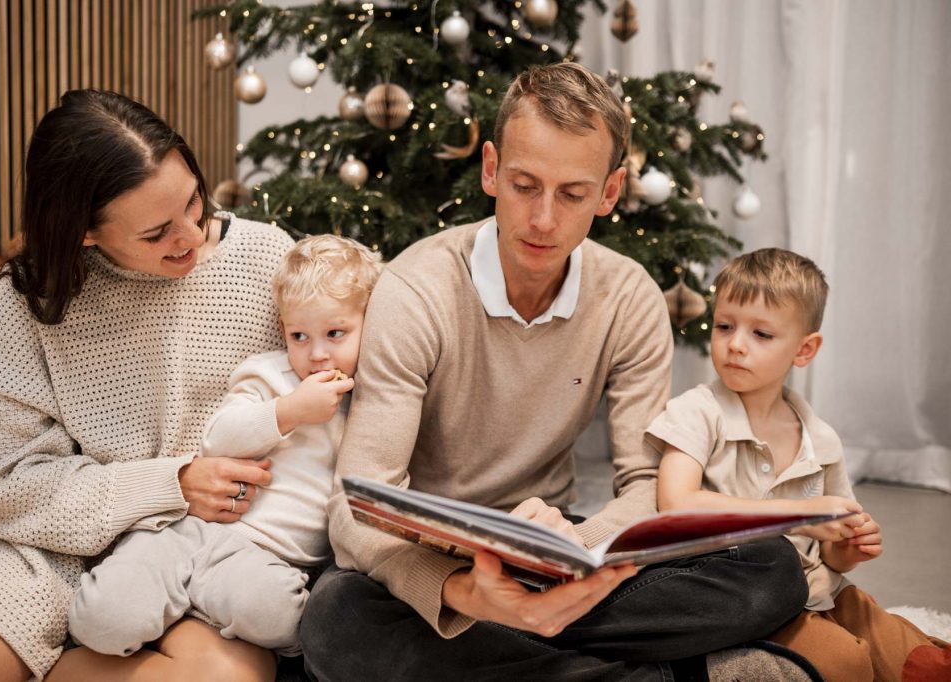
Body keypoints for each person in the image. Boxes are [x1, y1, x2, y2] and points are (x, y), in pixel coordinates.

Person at [299, 62, 815, 681]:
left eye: (572, 194)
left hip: (561, 545)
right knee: (335, 622)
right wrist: (463, 592)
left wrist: (580, 551)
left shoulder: (630, 297)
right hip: (442, 559)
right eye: (524, 185)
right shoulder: (416, 290)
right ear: (490, 169)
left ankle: (517, 648)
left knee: (770, 567)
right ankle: (668, 675)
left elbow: (649, 484)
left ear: (610, 192)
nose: (543, 219)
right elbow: (356, 505)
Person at [0, 89, 295, 681]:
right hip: (46, 551)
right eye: (157, 233)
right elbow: (4, 480)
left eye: (194, 202)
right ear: (84, 234)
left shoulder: (267, 259)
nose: (191, 234)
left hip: (205, 550)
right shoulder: (29, 300)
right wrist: (170, 482)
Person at [68, 234, 382, 660]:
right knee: (102, 619)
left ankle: (194, 609)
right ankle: (151, 597)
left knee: (284, 623)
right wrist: (289, 410)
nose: (318, 354)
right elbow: (219, 438)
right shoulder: (270, 376)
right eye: (300, 336)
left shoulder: (376, 399)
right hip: (190, 531)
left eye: (335, 333)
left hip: (263, 560)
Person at [651, 247, 951, 682]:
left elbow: (831, 553)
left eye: (761, 334)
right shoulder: (697, 412)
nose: (735, 344)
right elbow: (675, 505)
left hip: (817, 588)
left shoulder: (821, 438)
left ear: (804, 349)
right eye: (724, 326)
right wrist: (802, 515)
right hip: (740, 593)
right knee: (846, 662)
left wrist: (846, 546)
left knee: (904, 646)